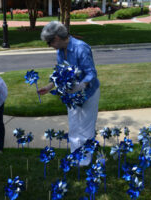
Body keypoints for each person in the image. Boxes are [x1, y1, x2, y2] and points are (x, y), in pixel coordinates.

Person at [38, 21, 100, 166]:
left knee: (86, 127)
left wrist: (80, 86)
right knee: (73, 125)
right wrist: (48, 87)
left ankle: (84, 161)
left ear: (57, 38)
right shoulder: (60, 50)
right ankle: (75, 156)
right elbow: (60, 72)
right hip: (71, 95)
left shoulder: (81, 48)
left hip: (88, 93)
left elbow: (91, 73)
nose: (49, 46)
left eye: (49, 42)